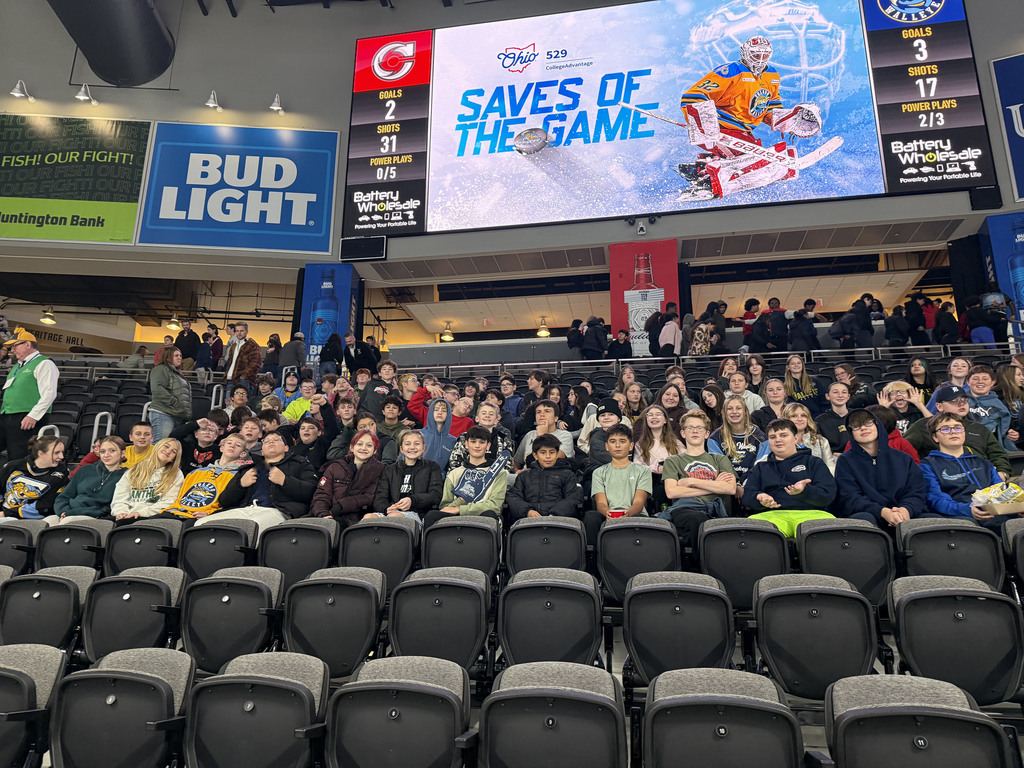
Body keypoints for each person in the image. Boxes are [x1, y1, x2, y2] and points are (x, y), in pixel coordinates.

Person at [677, 36, 822, 199]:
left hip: (743, 132)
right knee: (753, 160)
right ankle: (708, 185)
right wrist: (706, 127)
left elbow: (768, 107)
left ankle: (699, 170)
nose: (760, 59)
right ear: (745, 53)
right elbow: (692, 96)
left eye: (764, 55)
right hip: (720, 129)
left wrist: (791, 119)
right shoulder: (731, 71)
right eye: (755, 54)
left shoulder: (772, 76)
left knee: (751, 158)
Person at [194, 431, 315, 534]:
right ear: (262, 451)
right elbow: (224, 501)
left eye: (276, 440)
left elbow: (310, 493)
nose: (271, 442)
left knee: (252, 527)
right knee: (201, 524)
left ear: (286, 448)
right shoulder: (248, 468)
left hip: (277, 511)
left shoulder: (300, 464)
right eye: (266, 441)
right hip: (245, 509)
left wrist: (285, 481)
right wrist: (240, 484)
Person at [743, 418, 837, 537]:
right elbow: (747, 497)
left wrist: (805, 491)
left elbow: (828, 495)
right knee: (752, 534)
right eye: (772, 437)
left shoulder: (814, 462)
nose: (778, 440)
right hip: (771, 515)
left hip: (812, 514)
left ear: (796, 438)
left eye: (783, 435)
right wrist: (759, 497)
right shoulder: (760, 467)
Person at [919, 413, 1012, 532]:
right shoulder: (927, 465)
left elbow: (1001, 491)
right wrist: (968, 509)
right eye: (945, 429)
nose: (953, 432)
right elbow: (936, 499)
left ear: (964, 432)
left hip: (993, 513)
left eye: (958, 427)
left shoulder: (983, 463)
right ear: (935, 437)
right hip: (959, 516)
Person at [835, 409, 925, 529]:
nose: (863, 428)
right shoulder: (845, 460)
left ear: (878, 425)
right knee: (864, 521)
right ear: (851, 433)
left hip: (903, 512)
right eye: (856, 426)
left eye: (868, 423)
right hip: (868, 514)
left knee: (934, 522)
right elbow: (850, 498)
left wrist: (906, 510)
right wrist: (883, 512)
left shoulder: (904, 459)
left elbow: (916, 492)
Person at [662, 410, 736, 550]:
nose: (695, 431)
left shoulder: (720, 459)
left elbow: (730, 489)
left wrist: (691, 482)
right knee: (698, 520)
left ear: (707, 434)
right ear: (683, 433)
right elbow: (672, 492)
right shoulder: (673, 461)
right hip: (685, 509)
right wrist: (715, 485)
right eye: (690, 428)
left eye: (699, 428)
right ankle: (704, 566)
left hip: (715, 509)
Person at [904, 385, 1010, 477]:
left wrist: (1002, 473)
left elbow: (998, 455)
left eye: (964, 400)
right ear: (939, 406)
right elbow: (902, 450)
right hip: (943, 481)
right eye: (954, 401)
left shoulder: (979, 428)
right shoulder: (923, 426)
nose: (961, 404)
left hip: (983, 480)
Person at [424, 426, 509, 528]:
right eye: (473, 442)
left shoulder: (499, 473)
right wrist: (462, 499)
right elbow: (445, 507)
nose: (477, 445)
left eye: (482, 442)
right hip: (455, 516)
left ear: (488, 446)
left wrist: (461, 509)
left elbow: (495, 506)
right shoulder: (454, 474)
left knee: (490, 516)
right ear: (466, 444)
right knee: (431, 516)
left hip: (482, 516)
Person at [583, 424, 652, 545]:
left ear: (631, 446)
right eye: (613, 441)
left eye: (622, 441)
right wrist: (607, 513)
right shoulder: (599, 472)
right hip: (608, 515)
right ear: (607, 446)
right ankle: (592, 557)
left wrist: (629, 513)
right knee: (591, 517)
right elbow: (601, 503)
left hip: (635, 515)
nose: (618, 445)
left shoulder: (643, 471)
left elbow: (639, 502)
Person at [157, 432, 249, 522]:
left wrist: (211, 515)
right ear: (221, 448)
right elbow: (180, 497)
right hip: (175, 512)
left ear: (243, 454)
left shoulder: (238, 478)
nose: (232, 446)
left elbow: (228, 505)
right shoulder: (196, 472)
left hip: (200, 517)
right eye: (229, 443)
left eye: (238, 445)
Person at [0, 328, 59, 462]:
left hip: (25, 417)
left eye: (15, 346)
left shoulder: (44, 363)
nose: (12, 350)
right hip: (6, 415)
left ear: (28, 344)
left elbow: (49, 393)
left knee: (18, 457)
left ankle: (18, 483)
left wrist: (33, 415)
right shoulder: (17, 366)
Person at [310, 429, 386, 529]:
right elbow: (322, 495)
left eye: (369, 445)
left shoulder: (380, 469)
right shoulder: (335, 467)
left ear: (375, 450)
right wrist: (323, 514)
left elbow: (370, 497)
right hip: (328, 515)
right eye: (359, 444)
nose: (363, 448)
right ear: (352, 447)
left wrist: (341, 506)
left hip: (357, 518)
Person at [507, 433, 585, 521]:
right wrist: (528, 511)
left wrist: (556, 514)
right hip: (528, 522)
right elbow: (513, 496)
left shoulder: (568, 475)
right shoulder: (524, 476)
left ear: (557, 454)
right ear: (535, 455)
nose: (548, 456)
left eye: (552, 452)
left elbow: (574, 497)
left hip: (560, 522)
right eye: (543, 452)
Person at [372, 430, 443, 522]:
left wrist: (413, 500)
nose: (412, 447)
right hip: (391, 512)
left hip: (418, 514)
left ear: (423, 448)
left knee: (394, 517)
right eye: (408, 444)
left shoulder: (432, 467)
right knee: (368, 518)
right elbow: (380, 497)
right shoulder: (390, 470)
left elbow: (435, 496)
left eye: (417, 444)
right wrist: (386, 509)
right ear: (401, 449)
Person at [53, 435, 126, 521]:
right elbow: (63, 497)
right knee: (43, 525)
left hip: (96, 517)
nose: (106, 455)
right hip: (67, 513)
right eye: (102, 451)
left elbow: (109, 508)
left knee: (64, 525)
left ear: (122, 453)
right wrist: (63, 512)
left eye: (112, 451)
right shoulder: (85, 469)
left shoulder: (125, 476)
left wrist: (71, 514)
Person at [110, 439, 184, 523]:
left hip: (152, 516)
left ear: (174, 459)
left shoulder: (176, 474)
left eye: (174, 451)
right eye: (166, 446)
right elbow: (120, 497)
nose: (168, 451)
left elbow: (169, 502)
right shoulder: (135, 470)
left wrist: (140, 513)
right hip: (127, 514)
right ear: (157, 447)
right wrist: (121, 512)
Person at [1, 435, 68, 519]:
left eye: (62, 452)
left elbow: (46, 507)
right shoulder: (13, 466)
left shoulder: (60, 475)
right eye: (56, 453)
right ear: (41, 453)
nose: (62, 457)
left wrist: (6, 514)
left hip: (29, 521)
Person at [709, 395, 769, 489]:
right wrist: (736, 485)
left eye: (738, 408)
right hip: (727, 485)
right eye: (729, 409)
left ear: (745, 411)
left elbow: (760, 465)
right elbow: (720, 467)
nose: (734, 412)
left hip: (753, 485)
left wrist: (745, 486)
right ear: (723, 412)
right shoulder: (714, 438)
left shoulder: (760, 437)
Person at [633, 405, 684, 511]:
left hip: (674, 480)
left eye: (658, 414)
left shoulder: (676, 443)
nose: (654, 417)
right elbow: (637, 467)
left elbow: (684, 463)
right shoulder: (640, 444)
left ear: (665, 420)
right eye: (650, 415)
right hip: (652, 481)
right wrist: (655, 468)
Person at [447, 401, 515, 472]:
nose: (487, 416)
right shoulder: (464, 437)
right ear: (477, 418)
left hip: (495, 478)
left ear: (496, 420)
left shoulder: (504, 439)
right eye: (484, 413)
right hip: (466, 478)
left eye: (491, 414)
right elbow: (454, 463)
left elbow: (508, 464)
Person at [148, 345, 192, 441]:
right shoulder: (161, 369)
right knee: (161, 446)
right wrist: (175, 402)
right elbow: (157, 389)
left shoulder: (176, 372)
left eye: (180, 355)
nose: (180, 358)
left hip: (176, 414)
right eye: (176, 355)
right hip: (164, 413)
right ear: (167, 357)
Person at [514, 399, 574, 469]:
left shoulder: (565, 436)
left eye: (547, 411)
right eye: (538, 412)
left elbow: (550, 462)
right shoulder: (529, 435)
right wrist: (517, 471)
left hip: (551, 475)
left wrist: (541, 436)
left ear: (556, 418)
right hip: (526, 475)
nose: (542, 415)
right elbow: (517, 461)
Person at [966, 365, 1015, 450]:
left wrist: (1013, 434)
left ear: (992, 382)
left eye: (985, 379)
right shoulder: (960, 402)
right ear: (968, 382)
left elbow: (1007, 430)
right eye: (975, 379)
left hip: (994, 445)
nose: (980, 382)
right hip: (969, 445)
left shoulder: (1001, 405)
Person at [782, 402, 835, 473]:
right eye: (794, 416)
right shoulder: (780, 442)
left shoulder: (821, 441)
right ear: (786, 419)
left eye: (803, 416)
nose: (799, 419)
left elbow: (830, 466)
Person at [223, 322, 262, 396]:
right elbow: (230, 362)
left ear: (247, 332)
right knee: (229, 404)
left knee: (242, 405)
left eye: (242, 331)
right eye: (237, 331)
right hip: (231, 378)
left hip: (244, 380)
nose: (239, 333)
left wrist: (245, 375)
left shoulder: (252, 345)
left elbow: (256, 362)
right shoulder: (234, 345)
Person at [816, 381, 851, 454]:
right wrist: (832, 453)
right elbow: (819, 446)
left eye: (844, 392)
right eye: (835, 392)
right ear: (827, 396)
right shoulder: (820, 421)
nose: (840, 395)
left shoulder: (857, 415)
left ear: (848, 396)